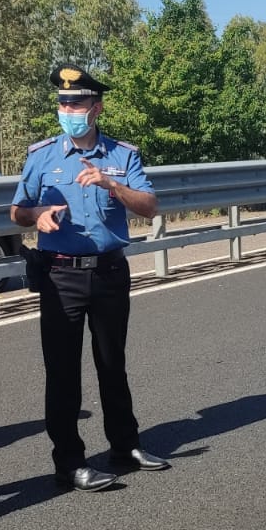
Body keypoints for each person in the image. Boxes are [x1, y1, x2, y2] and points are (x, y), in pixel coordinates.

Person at [11, 66, 166, 489]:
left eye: (76, 103)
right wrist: (37, 215)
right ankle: (69, 461)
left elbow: (149, 206)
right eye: (63, 103)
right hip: (60, 274)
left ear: (95, 108)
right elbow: (18, 210)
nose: (68, 110)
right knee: (62, 372)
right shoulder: (41, 155)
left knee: (112, 364)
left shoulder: (122, 155)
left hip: (110, 272)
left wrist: (111, 186)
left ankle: (125, 446)